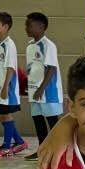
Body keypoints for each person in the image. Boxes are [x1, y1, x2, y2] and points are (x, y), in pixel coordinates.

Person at [0, 11, 28, 157]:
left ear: (5, 26)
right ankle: (19, 141)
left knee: (6, 115)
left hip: (6, 88)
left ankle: (6, 145)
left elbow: (11, 67)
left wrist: (5, 87)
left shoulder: (9, 45)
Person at [23, 12, 61, 160]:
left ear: (41, 26)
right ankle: (42, 150)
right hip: (34, 92)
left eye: (29, 25)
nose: (26, 28)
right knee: (38, 122)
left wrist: (41, 88)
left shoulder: (48, 45)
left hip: (47, 92)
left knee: (53, 124)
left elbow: (51, 68)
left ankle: (58, 151)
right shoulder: (30, 46)